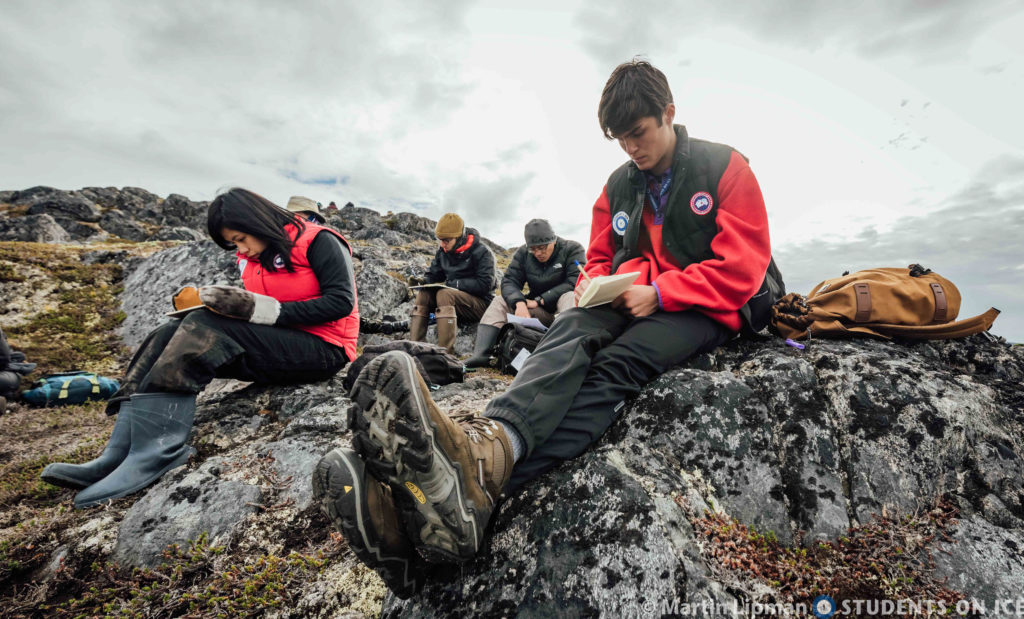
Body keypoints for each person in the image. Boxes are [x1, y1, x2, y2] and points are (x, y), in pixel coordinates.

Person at [313, 59, 783, 596]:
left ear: (669, 114)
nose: (631, 147)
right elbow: (601, 257)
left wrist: (663, 292)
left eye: (639, 133)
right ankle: (480, 452)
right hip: (636, 291)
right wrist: (594, 286)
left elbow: (743, 268)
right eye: (620, 139)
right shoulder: (616, 186)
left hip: (710, 305)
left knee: (616, 366)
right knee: (569, 331)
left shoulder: (726, 167)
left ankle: (472, 482)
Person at [42, 188, 359, 509]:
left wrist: (261, 311)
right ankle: (118, 453)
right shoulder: (253, 257)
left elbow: (341, 302)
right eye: (234, 243)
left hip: (324, 349)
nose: (241, 248)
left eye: (240, 238)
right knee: (172, 328)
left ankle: (159, 452)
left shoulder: (320, 240)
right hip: (277, 347)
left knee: (205, 327)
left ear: (259, 222)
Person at [464, 218, 585, 368]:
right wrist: (519, 303)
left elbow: (575, 281)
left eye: (542, 247)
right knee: (499, 301)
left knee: (570, 296)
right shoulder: (523, 253)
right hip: (539, 313)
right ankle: (481, 355)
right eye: (533, 249)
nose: (538, 253)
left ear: (553, 240)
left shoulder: (572, 249)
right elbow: (509, 281)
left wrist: (540, 300)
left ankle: (570, 354)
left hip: (562, 313)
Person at [406, 213, 496, 354]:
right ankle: (416, 349)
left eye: (446, 240)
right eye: (440, 240)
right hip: (454, 305)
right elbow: (435, 274)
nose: (442, 244)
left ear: (459, 238)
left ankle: (445, 355)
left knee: (444, 294)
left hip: (481, 305)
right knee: (424, 293)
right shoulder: (443, 251)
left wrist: (455, 284)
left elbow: (485, 285)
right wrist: (423, 281)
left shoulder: (483, 252)